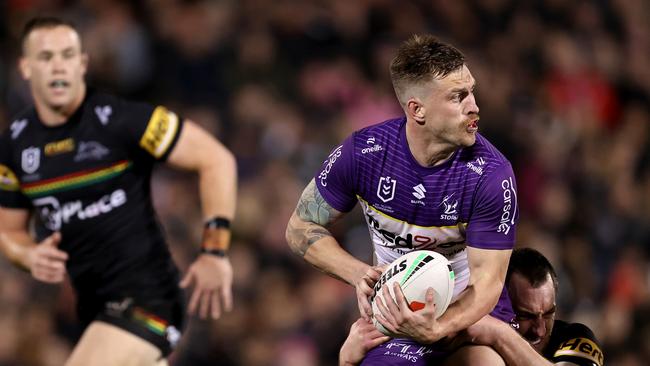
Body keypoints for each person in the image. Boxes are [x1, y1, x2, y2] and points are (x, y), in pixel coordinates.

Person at [0, 17, 237, 366]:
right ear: (25, 67)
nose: (58, 66)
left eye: (67, 55)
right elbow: (9, 231)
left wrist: (214, 252)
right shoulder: (14, 148)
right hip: (96, 309)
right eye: (46, 57)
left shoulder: (120, 120)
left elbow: (216, 159)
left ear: (82, 63)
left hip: (148, 300)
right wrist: (28, 256)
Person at [286, 34, 519, 365]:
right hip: (396, 315)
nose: (474, 105)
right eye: (458, 96)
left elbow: (487, 285)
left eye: (472, 91)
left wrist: (439, 327)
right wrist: (357, 273)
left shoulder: (490, 174)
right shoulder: (365, 153)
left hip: (470, 313)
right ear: (417, 109)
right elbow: (299, 227)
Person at [340, 248, 604, 366]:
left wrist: (499, 333)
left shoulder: (573, 338)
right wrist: (347, 361)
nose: (539, 328)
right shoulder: (467, 347)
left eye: (548, 313)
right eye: (524, 315)